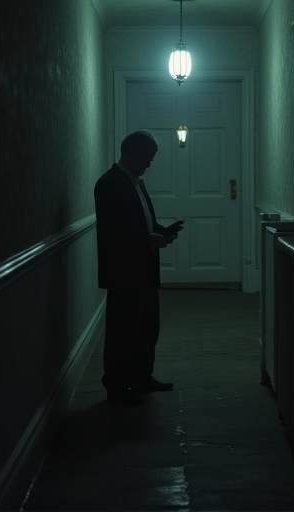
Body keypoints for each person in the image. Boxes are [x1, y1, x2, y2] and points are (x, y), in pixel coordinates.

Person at [94, 130, 184, 404]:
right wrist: (148, 238)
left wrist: (160, 231)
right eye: (147, 157)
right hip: (124, 271)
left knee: (147, 327)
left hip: (144, 268)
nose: (149, 163)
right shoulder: (109, 184)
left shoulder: (136, 182)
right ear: (130, 152)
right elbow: (113, 230)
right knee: (123, 331)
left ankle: (141, 377)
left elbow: (140, 220)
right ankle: (117, 387)